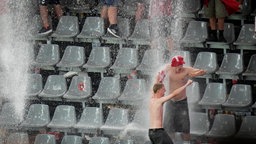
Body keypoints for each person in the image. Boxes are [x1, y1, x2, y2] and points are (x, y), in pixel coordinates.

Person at [162, 55, 206, 143]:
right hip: (170, 101)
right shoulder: (167, 68)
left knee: (185, 128)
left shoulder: (187, 70)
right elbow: (160, 75)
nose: (180, 67)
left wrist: (201, 72)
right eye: (178, 66)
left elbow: (198, 72)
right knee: (169, 127)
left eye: (181, 65)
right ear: (173, 65)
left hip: (182, 102)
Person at [149, 71, 193, 144]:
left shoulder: (151, 99)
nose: (165, 91)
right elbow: (174, 93)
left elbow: (154, 88)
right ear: (159, 91)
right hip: (158, 132)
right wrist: (187, 84)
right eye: (163, 89)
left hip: (151, 133)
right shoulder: (160, 101)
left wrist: (158, 79)